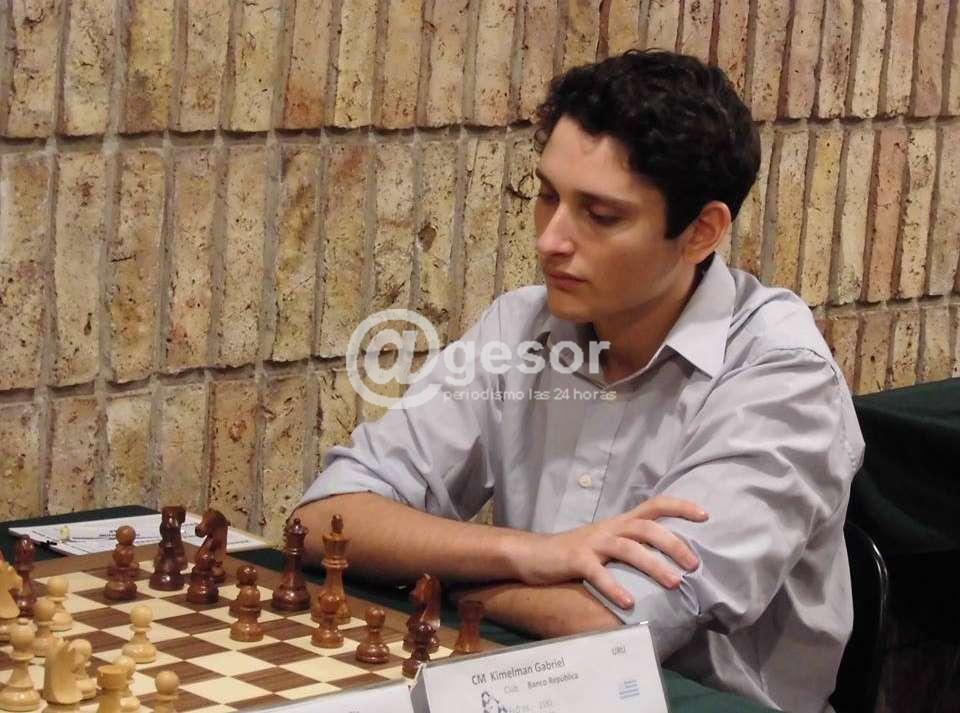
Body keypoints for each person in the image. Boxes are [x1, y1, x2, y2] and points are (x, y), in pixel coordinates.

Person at [294, 50, 864, 713]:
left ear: (701, 231)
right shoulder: (520, 325)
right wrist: (528, 553)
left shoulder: (781, 377)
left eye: (601, 214)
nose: (550, 241)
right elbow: (325, 516)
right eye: (547, 196)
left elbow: (610, 624)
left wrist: (433, 575)